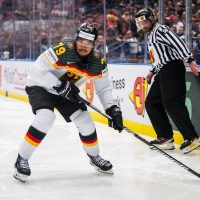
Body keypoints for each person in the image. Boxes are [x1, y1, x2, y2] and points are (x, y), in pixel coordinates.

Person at [13, 22, 123, 183]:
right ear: (76, 39)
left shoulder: (98, 63)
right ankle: (21, 159)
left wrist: (112, 109)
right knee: (46, 117)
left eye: (88, 42)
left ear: (93, 44)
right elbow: (37, 69)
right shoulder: (62, 49)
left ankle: (94, 156)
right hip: (40, 86)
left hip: (65, 92)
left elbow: (103, 89)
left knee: (86, 121)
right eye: (81, 40)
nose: (84, 45)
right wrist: (59, 84)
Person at [135, 8, 200, 154]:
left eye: (145, 21)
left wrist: (190, 60)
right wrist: (152, 71)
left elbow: (177, 42)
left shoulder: (160, 30)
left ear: (152, 19)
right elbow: (158, 57)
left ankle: (192, 138)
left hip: (172, 68)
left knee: (172, 102)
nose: (143, 25)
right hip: (162, 70)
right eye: (141, 24)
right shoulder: (151, 35)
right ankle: (166, 137)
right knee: (151, 102)